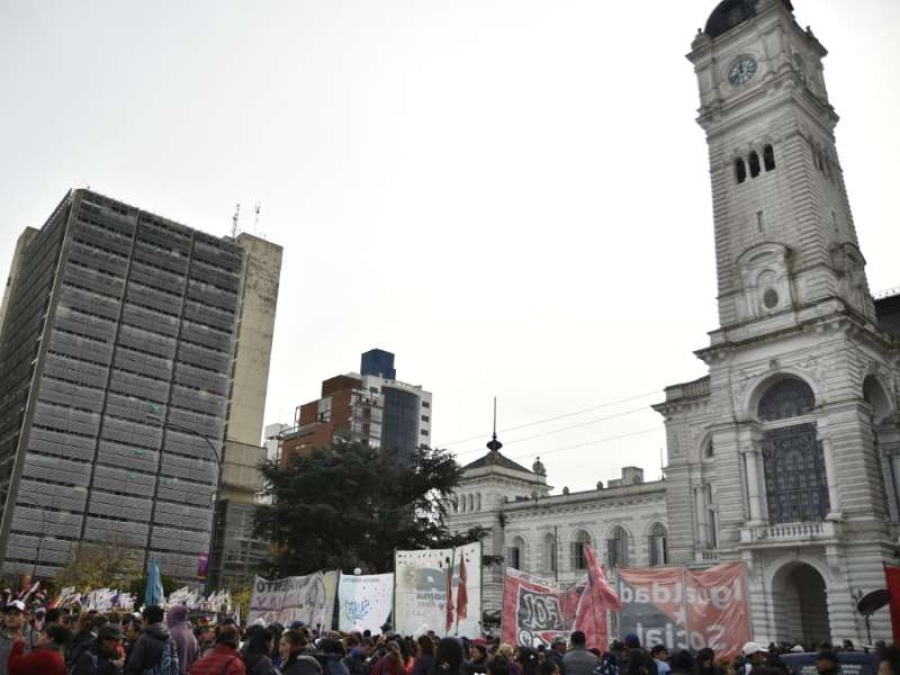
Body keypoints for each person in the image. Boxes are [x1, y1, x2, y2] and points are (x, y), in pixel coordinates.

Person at [124, 605, 179, 675]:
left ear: (146, 619)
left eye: (143, 620)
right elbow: (175, 666)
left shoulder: (144, 639)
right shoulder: (170, 638)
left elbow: (134, 666)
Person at [0, 601, 37, 675]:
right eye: (8, 614)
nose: (11, 617)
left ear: (25, 617)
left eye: (16, 614)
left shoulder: (35, 637)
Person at [167, 605, 199, 675]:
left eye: (168, 616)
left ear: (173, 616)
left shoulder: (171, 634)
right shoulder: (192, 636)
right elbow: (197, 660)